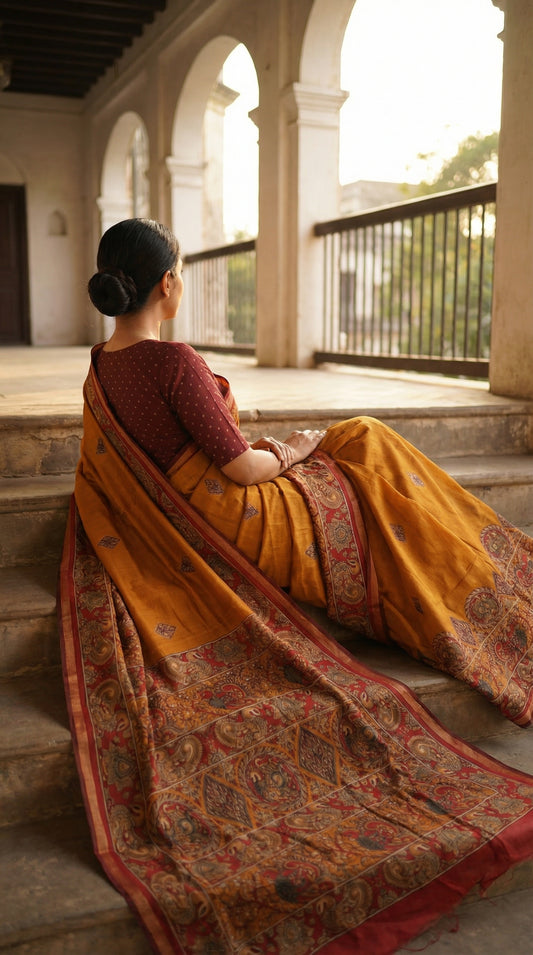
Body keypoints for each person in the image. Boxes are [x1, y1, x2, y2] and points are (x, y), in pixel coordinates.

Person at [59, 218, 533, 955]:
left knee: (362, 447)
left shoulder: (99, 364)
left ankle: (460, 558)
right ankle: (478, 570)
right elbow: (242, 470)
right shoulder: (171, 361)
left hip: (182, 514)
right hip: (240, 516)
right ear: (168, 284)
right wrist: (292, 450)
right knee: (363, 443)